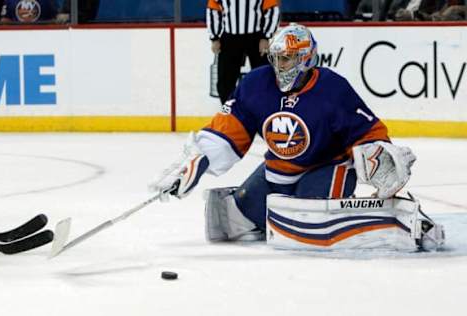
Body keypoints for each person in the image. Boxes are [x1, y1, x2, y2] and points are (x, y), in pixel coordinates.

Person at [150, 23, 444, 251]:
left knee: (308, 220)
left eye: (288, 59)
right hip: (280, 171)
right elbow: (229, 129)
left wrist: (377, 155)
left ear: (306, 58)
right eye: (277, 58)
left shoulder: (332, 88)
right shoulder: (255, 84)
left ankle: (399, 224)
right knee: (228, 221)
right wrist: (196, 161)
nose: (280, 66)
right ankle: (278, 219)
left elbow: (367, 132)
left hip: (328, 165)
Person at [207, 0, 280, 105]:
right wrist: (214, 37)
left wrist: (265, 37)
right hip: (230, 38)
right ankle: (230, 112)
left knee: (264, 76)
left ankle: (263, 109)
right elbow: (213, 10)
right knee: (225, 80)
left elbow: (272, 10)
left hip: (256, 38)